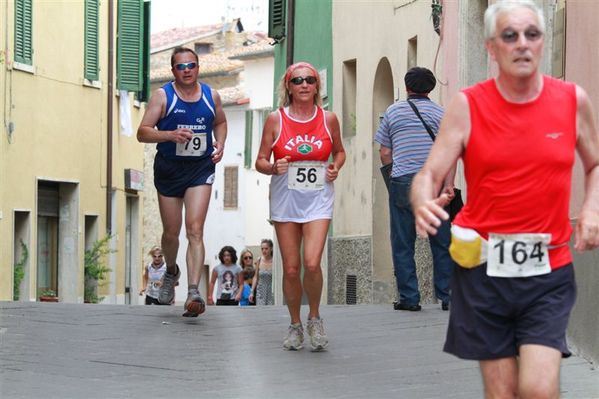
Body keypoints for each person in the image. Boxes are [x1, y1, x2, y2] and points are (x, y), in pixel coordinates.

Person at [410, 1, 599, 397]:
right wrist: (422, 201)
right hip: (483, 268)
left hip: (548, 268)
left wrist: (591, 207)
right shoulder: (467, 105)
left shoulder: (571, 100)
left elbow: (594, 164)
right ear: (491, 48)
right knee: (502, 392)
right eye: (510, 36)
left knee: (538, 388)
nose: (522, 45)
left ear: (543, 42)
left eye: (532, 34)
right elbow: (428, 173)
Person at [256, 62, 346, 351]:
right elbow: (260, 160)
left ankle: (315, 318)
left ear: (317, 85)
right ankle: (295, 324)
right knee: (292, 269)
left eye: (310, 80)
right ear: (289, 87)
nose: (304, 85)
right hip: (286, 200)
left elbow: (340, 151)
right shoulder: (275, 119)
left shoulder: (328, 119)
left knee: (311, 262)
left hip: (318, 199)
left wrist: (335, 168)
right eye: (298, 80)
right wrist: (273, 167)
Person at [137, 46, 227, 317]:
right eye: (181, 67)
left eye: (191, 65)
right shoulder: (163, 96)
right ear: (173, 70)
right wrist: (170, 135)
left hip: (200, 169)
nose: (187, 71)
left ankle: (193, 291)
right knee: (171, 234)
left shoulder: (212, 95)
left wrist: (220, 144)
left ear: (198, 67)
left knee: (195, 230)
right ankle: (172, 270)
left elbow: (220, 122)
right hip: (169, 171)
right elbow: (143, 132)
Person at [375, 66, 455, 312]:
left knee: (403, 242)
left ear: (407, 86)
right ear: (430, 88)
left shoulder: (392, 112)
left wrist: (393, 180)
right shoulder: (442, 113)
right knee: (441, 241)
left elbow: (385, 152)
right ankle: (448, 296)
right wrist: (449, 185)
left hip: (403, 181)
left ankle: (410, 298)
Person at [252, 238, 274, 306]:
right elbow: (255, 277)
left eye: (266, 248)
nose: (264, 251)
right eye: (262, 249)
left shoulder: (275, 261)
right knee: (261, 311)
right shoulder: (259, 260)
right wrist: (251, 292)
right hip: (260, 291)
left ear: (271, 249)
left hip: (271, 291)